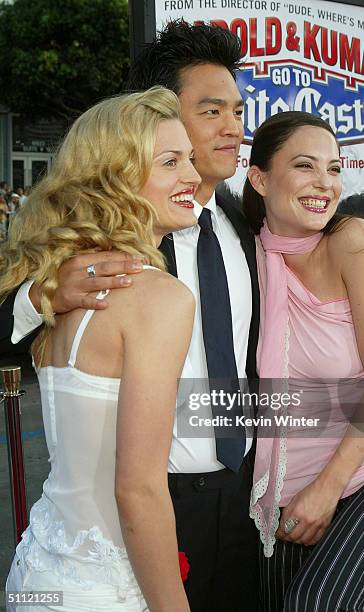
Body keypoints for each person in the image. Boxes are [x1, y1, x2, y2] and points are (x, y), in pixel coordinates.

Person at [0, 21, 260, 611]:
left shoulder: (250, 223)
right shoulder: (98, 261)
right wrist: (40, 295)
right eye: (211, 110)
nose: (233, 127)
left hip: (240, 493)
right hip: (147, 506)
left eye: (238, 110)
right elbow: (134, 487)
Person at [2, 87, 201, 611]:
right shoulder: (160, 299)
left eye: (191, 160)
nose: (194, 177)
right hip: (104, 590)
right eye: (171, 161)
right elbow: (137, 489)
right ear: (117, 176)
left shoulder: (58, 283)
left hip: (37, 573)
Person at [243, 111, 364, 611]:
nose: (325, 183)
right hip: (282, 490)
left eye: (334, 168)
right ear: (260, 178)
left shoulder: (352, 240)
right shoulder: (245, 257)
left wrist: (328, 489)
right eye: (306, 166)